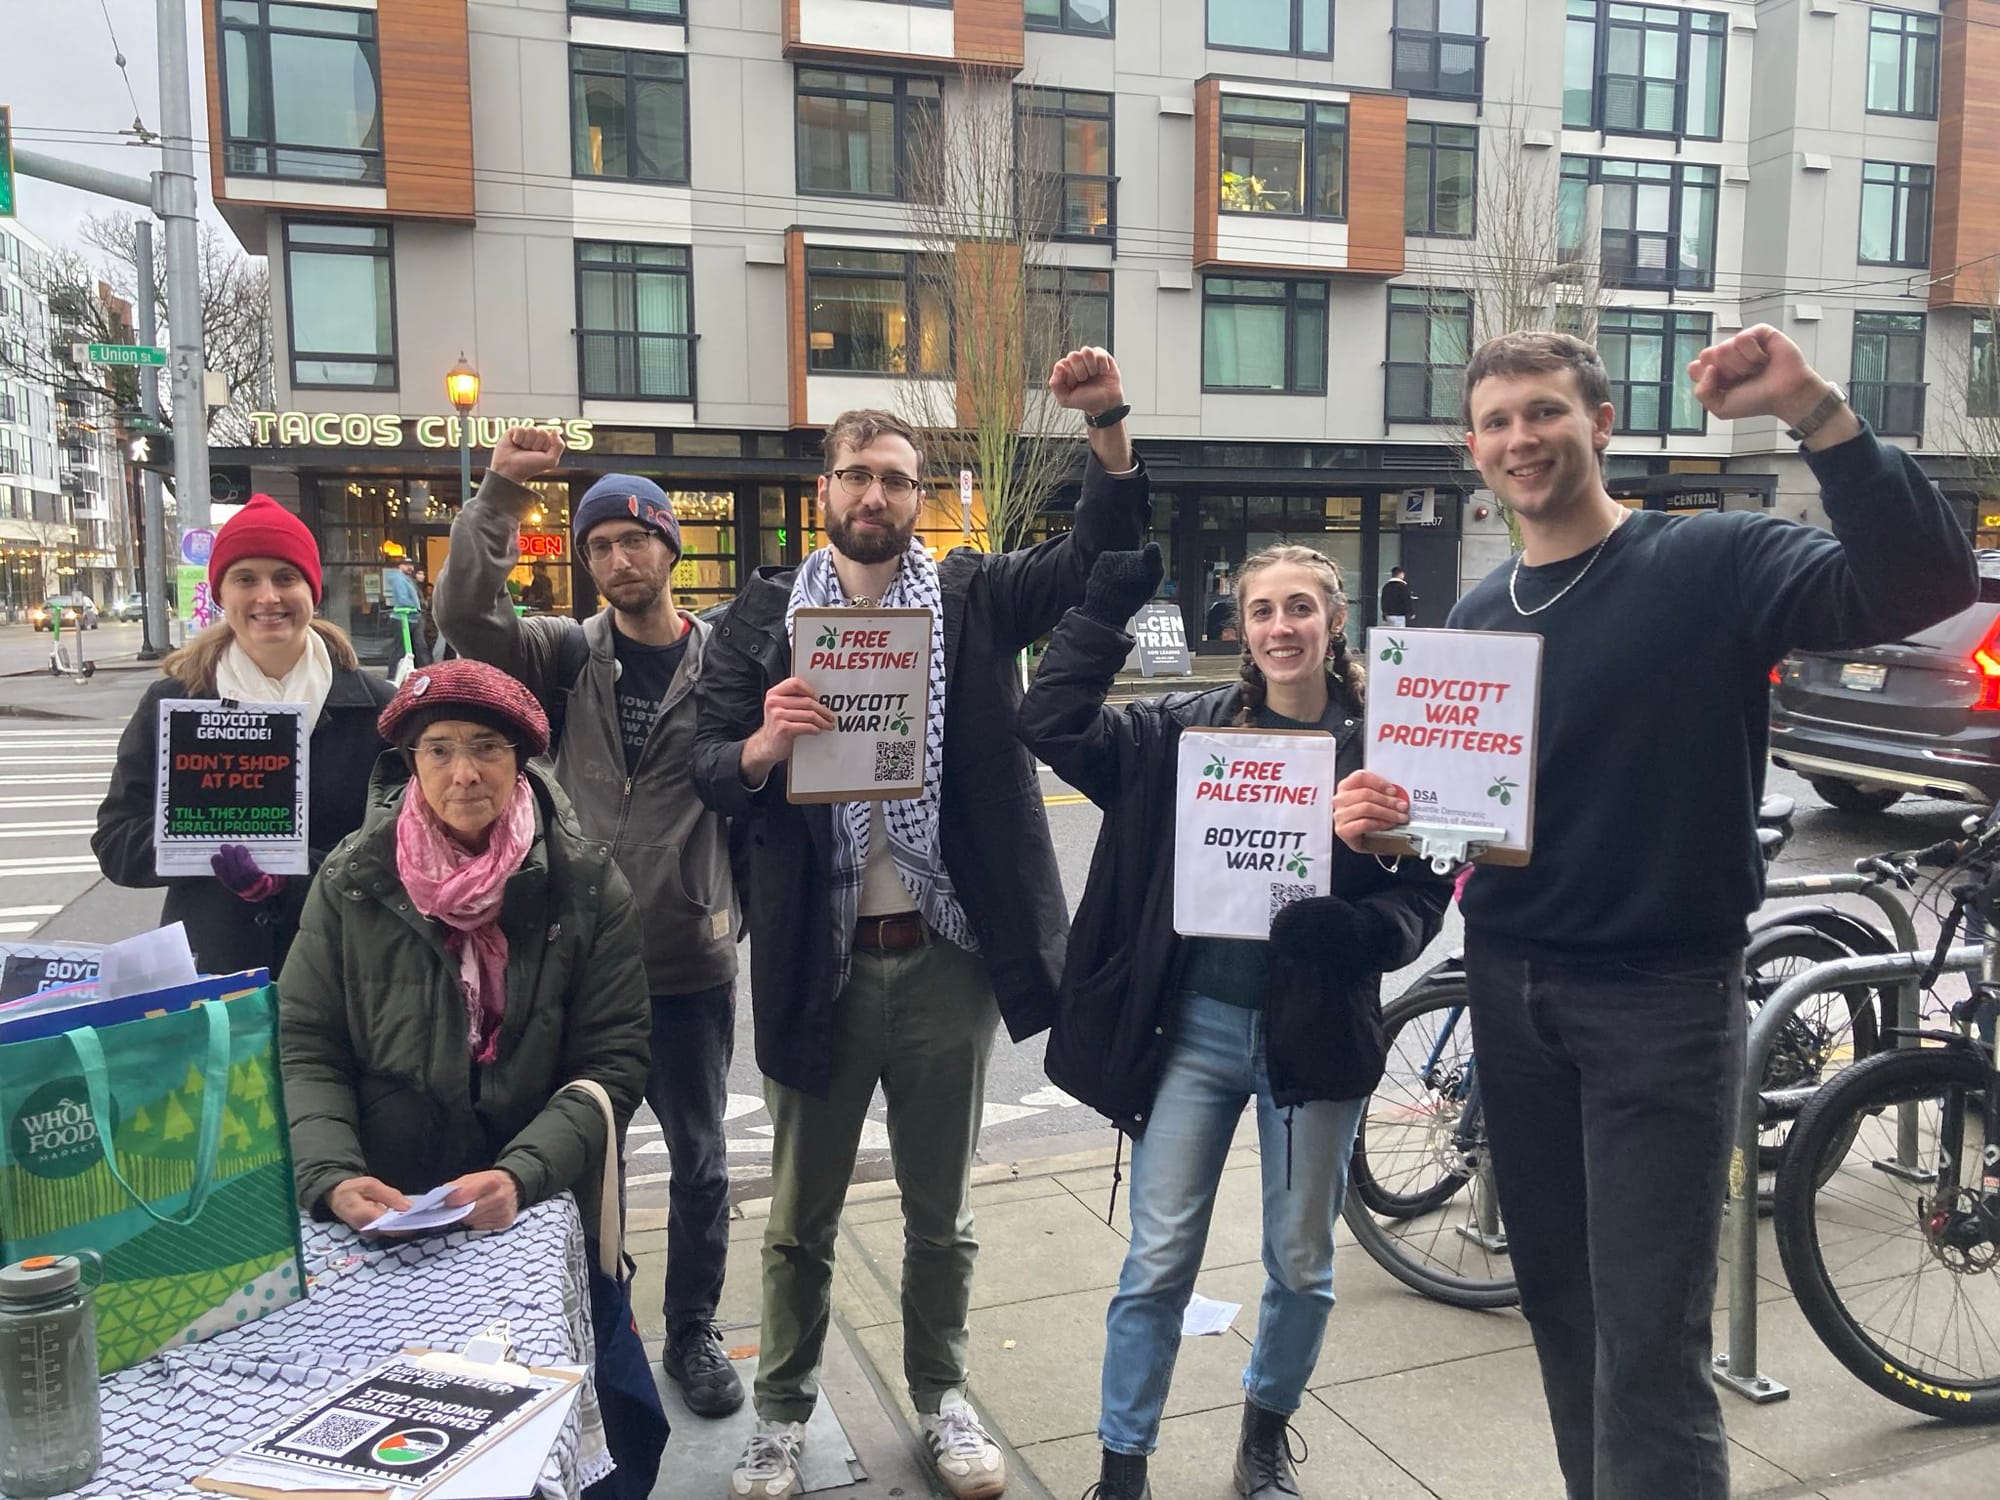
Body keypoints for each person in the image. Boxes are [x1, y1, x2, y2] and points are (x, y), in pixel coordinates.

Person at [1332, 326, 1977, 1500]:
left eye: (1544, 411)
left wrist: (1813, 410)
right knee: (1562, 1314)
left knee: (1646, 1349)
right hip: (1509, 993)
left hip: (1657, 1004)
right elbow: (1468, 825)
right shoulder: (1473, 616)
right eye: (1496, 421)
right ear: (1472, 450)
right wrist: (1389, 823)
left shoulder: (1710, 559)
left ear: (1600, 423)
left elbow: (1920, 583)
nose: (1520, 438)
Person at [693, 349, 1147, 1500]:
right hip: (818, 963)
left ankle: (942, 1397)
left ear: (917, 498)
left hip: (946, 958)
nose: (874, 495)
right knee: (797, 1221)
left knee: (940, 1216)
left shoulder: (970, 599)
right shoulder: (762, 618)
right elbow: (705, 764)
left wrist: (1104, 424)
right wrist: (761, 747)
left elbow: (1090, 556)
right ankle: (782, 1415)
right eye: (856, 475)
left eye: (896, 479)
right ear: (824, 491)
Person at [1018, 542, 1449, 1500]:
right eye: (1262, 611)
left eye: (1300, 608)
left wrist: (1362, 930)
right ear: (1241, 628)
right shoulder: (1184, 729)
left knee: (1301, 1262)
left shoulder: (1387, 744)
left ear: (1335, 621)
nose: (1281, 627)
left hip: (1313, 1038)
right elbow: (1049, 721)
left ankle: (1264, 1436)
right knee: (1157, 1259)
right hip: (1191, 1034)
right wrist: (1101, 608)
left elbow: (1427, 892)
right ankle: (1122, 1464)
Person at [278, 658, 665, 1499]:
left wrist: (521, 1176)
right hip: (384, 1209)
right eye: (440, 749)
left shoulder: (585, 884)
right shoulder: (355, 880)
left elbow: (612, 1061)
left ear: (519, 761)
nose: (464, 772)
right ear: (411, 763)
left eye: (487, 747)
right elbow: (308, 1044)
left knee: (544, 1438)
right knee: (385, 1447)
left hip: (530, 1213)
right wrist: (332, 1176)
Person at [433, 443, 747, 1418]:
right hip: (574, 959)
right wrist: (501, 491)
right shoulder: (563, 654)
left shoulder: (724, 662)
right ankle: (584, 1319)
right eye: (600, 546)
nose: (618, 559)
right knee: (562, 1157)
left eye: (634, 540)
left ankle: (691, 1329)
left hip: (688, 957)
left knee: (700, 1161)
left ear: (670, 547)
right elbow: (464, 614)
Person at [93, 495, 395, 976]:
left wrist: (294, 872)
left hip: (341, 967)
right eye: (246, 579)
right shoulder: (174, 704)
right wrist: (200, 842)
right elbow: (116, 844)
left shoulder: (378, 709)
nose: (268, 597)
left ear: (313, 590)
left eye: (286, 577)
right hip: (215, 969)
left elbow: (400, 850)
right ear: (220, 593)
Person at [384, 558, 432, 666]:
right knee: (402, 649)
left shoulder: (408, 580)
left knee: (418, 647)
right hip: (404, 618)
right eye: (407, 565)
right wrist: (416, 608)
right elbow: (402, 600)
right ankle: (394, 672)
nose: (410, 568)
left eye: (411, 565)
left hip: (412, 618)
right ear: (400, 566)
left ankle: (423, 670)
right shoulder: (399, 579)